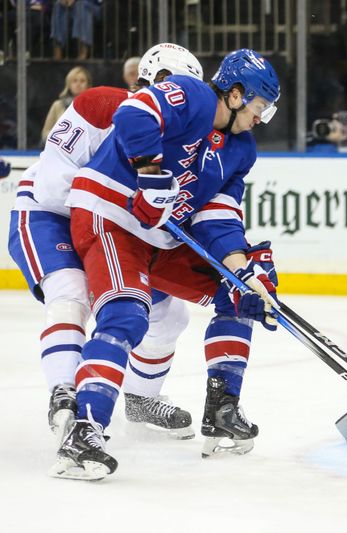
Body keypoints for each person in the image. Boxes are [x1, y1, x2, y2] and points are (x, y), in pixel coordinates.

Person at [50, 48, 281, 481]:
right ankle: (83, 431)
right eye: (258, 107)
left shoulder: (241, 149)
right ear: (234, 94)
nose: (259, 118)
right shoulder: (193, 95)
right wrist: (150, 169)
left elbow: (218, 215)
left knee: (237, 292)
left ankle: (222, 410)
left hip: (161, 235)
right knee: (125, 312)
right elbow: (136, 110)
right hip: (112, 214)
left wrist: (242, 268)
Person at [8, 44, 206, 447]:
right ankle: (65, 391)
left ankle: (140, 399)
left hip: (111, 227)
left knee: (168, 315)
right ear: (156, 82)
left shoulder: (178, 143)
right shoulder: (100, 104)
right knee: (71, 292)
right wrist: (119, 205)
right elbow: (52, 183)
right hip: (50, 216)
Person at [41, 66, 92, 144]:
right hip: (61, 150)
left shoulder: (94, 106)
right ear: (69, 84)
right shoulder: (58, 105)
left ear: (88, 85)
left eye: (82, 81)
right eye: (74, 81)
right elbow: (45, 133)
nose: (78, 84)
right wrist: (60, 138)